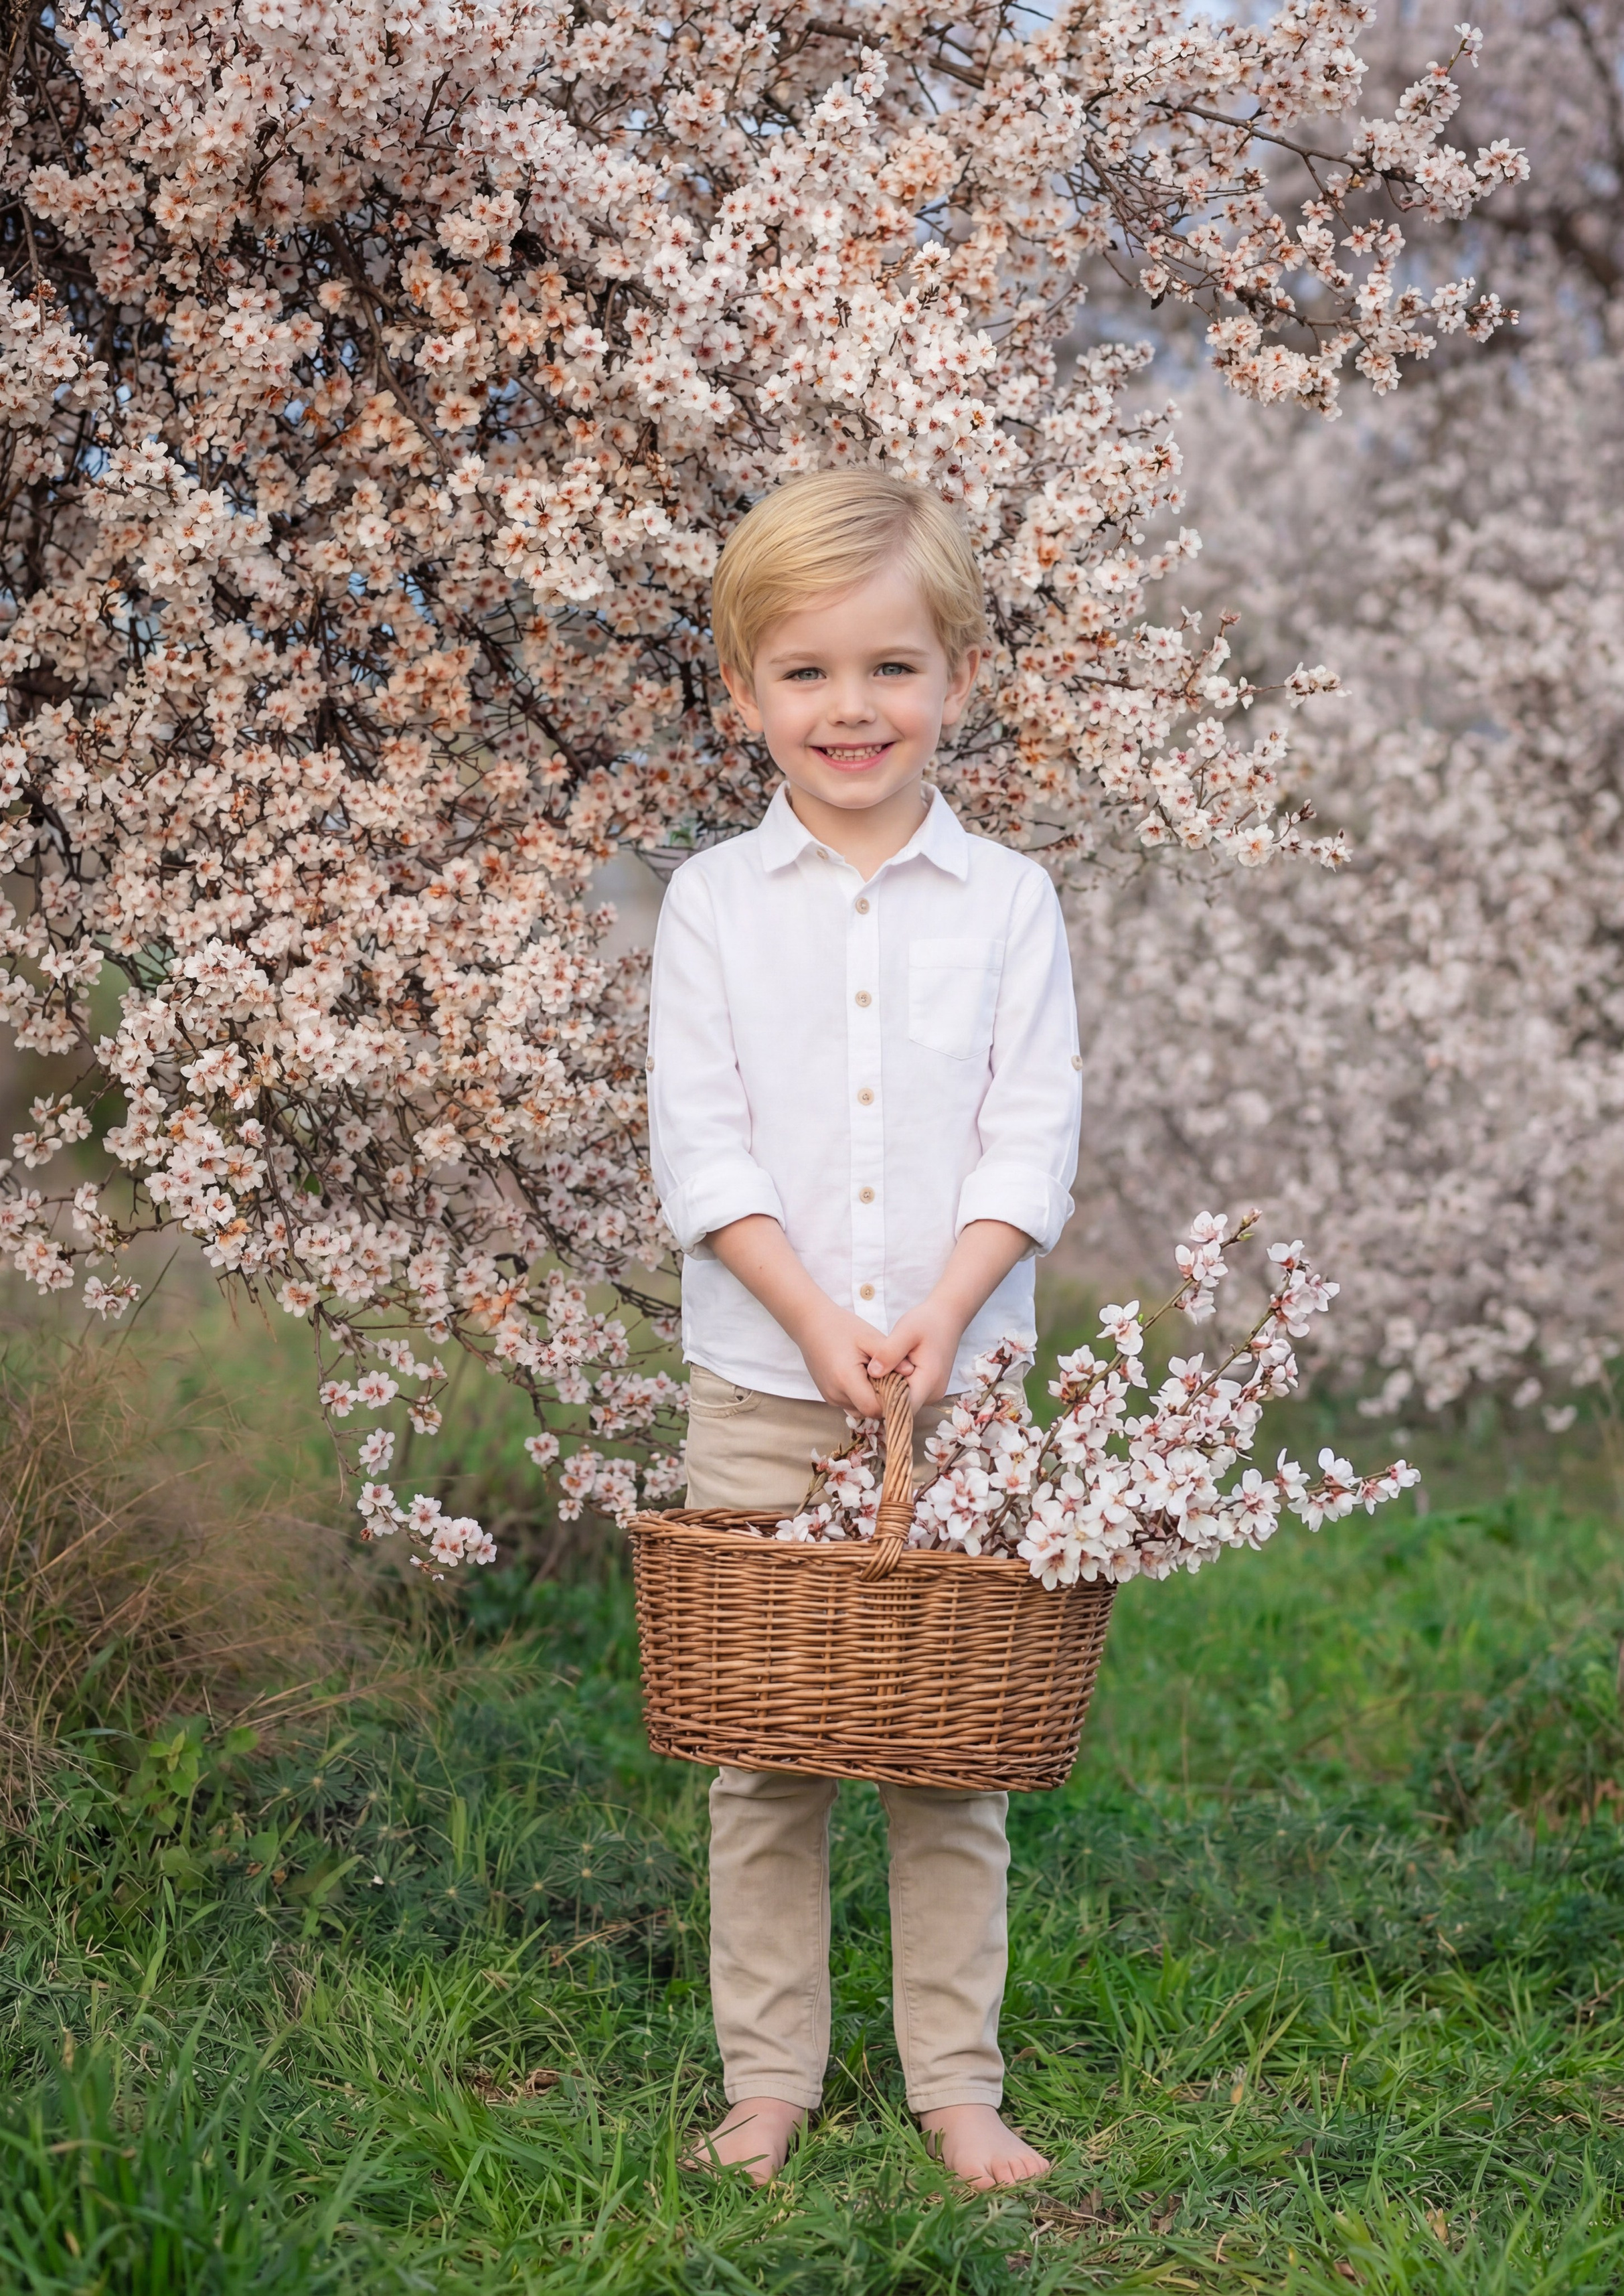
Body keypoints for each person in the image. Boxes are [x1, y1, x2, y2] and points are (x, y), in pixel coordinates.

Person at [646, 469, 1082, 2188]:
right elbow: (705, 1139)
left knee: (947, 1755)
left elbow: (1026, 1134)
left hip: (958, 1388)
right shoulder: (712, 905)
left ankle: (953, 2080)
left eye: (891, 669)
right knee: (762, 1755)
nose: (851, 709)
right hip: (765, 1377)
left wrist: (943, 1311)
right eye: (806, 672)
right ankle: (769, 2076)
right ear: (743, 691)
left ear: (958, 679)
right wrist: (820, 1317)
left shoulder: (1008, 903)